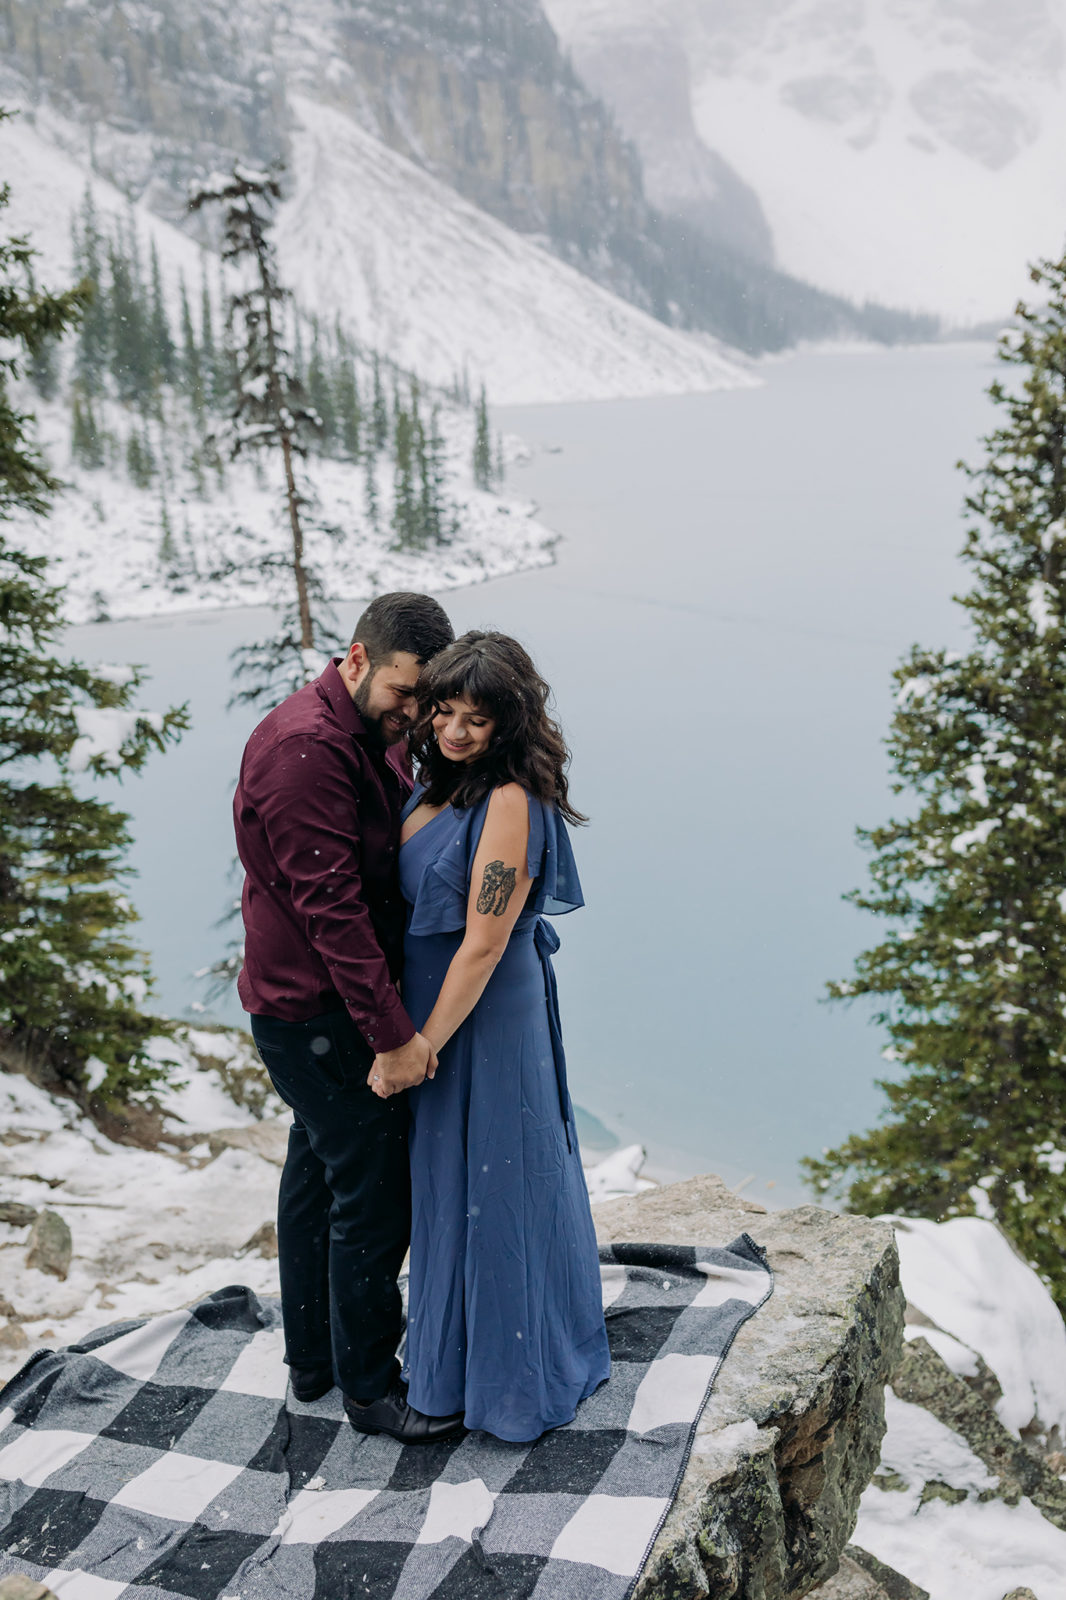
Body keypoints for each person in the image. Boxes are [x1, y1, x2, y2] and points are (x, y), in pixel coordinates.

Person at [234, 591, 465, 1444]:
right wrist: (395, 1039)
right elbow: (334, 917)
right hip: (319, 1013)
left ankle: (315, 1360)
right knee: (372, 1195)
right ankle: (373, 1390)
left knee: (317, 1173)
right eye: (405, 695)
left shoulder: (361, 731)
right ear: (356, 658)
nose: (414, 717)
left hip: (311, 1005)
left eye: (425, 701)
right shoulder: (305, 752)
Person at [378, 630, 610, 1441]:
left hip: (478, 1012)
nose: (453, 730)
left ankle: (507, 1380)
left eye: (476, 719)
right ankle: (454, 1364)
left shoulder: (507, 801)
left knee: (495, 1186)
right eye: (443, 711)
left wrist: (422, 1046)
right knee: (449, 1188)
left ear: (510, 722)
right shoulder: (442, 784)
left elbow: (482, 940)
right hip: (437, 1008)